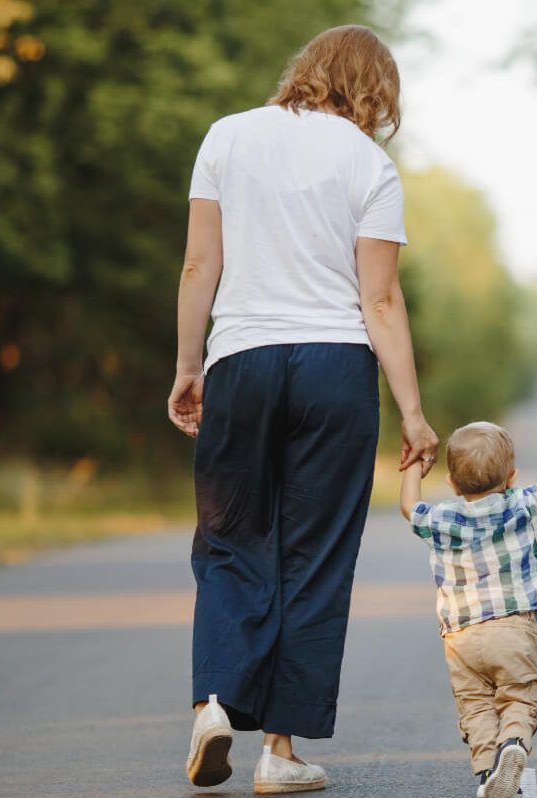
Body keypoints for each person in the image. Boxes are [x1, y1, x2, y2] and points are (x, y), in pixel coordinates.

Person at [168, 25, 440, 793]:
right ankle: (279, 754)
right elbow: (380, 299)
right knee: (314, 559)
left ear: (305, 71)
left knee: (230, 539)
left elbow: (199, 264)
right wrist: (413, 412)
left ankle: (216, 704)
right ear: (374, 93)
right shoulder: (370, 163)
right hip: (336, 367)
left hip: (242, 361)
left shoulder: (226, 137)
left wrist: (191, 366)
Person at [400, 420, 537, 798]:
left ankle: (489, 774)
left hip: (461, 636)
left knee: (475, 706)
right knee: (518, 696)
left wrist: (415, 464)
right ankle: (513, 743)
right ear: (511, 477)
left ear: (452, 483)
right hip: (516, 628)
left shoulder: (441, 520)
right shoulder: (518, 505)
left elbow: (408, 506)